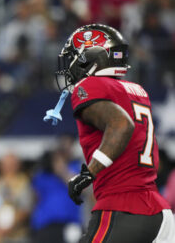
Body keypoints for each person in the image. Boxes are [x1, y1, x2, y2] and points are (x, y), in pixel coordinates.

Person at [44, 24, 175, 242]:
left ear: (92, 57)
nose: (71, 66)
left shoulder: (90, 85)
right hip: (159, 213)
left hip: (123, 208)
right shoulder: (138, 91)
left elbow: (121, 125)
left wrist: (88, 174)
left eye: (76, 57)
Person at [31, 138, 82, 243]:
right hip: (45, 224)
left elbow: (79, 186)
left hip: (70, 224)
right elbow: (35, 197)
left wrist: (61, 169)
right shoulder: (42, 175)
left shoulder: (73, 167)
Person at [0, 152, 33, 243]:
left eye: (12, 164)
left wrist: (8, 227)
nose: (9, 167)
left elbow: (26, 209)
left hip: (16, 237)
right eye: (6, 164)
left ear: (18, 165)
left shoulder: (24, 183)